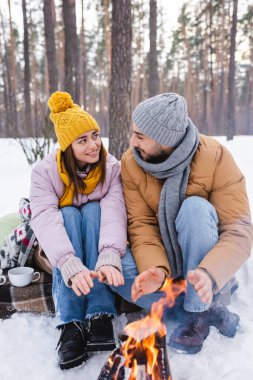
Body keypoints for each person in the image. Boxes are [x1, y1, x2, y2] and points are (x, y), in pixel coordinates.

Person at [111, 92, 253, 354]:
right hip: (163, 262)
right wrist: (155, 271)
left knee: (195, 208)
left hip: (203, 258)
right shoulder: (131, 163)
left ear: (166, 140)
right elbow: (141, 226)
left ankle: (198, 311)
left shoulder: (216, 157)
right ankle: (204, 305)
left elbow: (239, 230)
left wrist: (208, 274)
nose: (132, 142)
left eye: (140, 136)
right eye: (133, 133)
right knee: (116, 269)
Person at [30, 91, 127, 370]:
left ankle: (100, 313)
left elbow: (114, 212)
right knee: (68, 213)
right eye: (82, 140)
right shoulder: (44, 173)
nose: (93, 145)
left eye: (95, 135)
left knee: (95, 210)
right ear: (67, 145)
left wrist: (110, 253)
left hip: (98, 237)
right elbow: (46, 220)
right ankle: (71, 321)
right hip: (58, 247)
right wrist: (69, 263)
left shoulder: (111, 169)